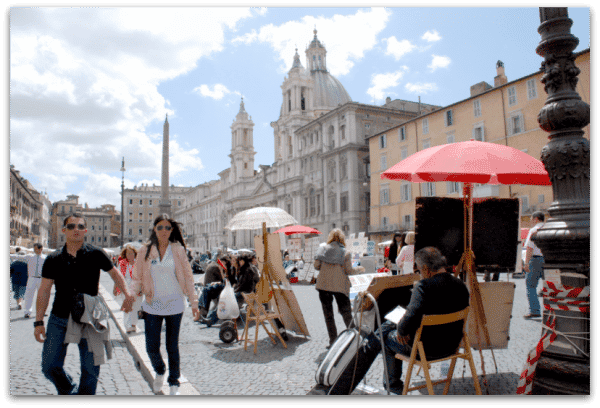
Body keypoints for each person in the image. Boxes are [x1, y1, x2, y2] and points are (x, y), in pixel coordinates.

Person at [34, 212, 135, 395]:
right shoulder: (53, 258)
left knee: (91, 370)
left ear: (85, 230)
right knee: (49, 366)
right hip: (60, 316)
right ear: (64, 230)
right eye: (71, 226)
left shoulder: (96, 253)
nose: (76, 230)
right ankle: (70, 390)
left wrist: (127, 294)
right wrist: (39, 321)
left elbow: (114, 273)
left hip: (90, 317)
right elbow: (44, 290)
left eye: (80, 226)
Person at [361, 247, 470, 394]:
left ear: (425, 268)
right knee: (391, 327)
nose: (419, 274)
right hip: (452, 346)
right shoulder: (461, 286)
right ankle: (371, 344)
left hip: (426, 349)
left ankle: (393, 387)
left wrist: (401, 330)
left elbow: (410, 319)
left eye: (418, 270)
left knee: (387, 337)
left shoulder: (423, 287)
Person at [131, 214, 199, 395]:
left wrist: (194, 303)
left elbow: (189, 277)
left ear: (172, 230)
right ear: (154, 229)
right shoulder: (145, 250)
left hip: (175, 303)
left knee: (172, 345)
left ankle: (174, 380)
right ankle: (160, 369)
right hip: (152, 304)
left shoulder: (178, 250)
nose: (163, 231)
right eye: (160, 227)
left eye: (167, 228)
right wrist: (131, 297)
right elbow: (136, 277)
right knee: (151, 346)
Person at [314, 228, 358, 347]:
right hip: (340, 286)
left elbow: (316, 266)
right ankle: (354, 338)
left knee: (328, 315)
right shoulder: (346, 252)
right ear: (342, 238)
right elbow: (349, 270)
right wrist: (359, 269)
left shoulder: (323, 249)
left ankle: (333, 341)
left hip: (323, 285)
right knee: (346, 313)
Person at [197, 256, 237, 327]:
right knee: (206, 289)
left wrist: (222, 272)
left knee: (208, 290)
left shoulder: (233, 269)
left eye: (233, 260)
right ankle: (204, 314)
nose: (232, 262)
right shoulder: (229, 268)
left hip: (228, 288)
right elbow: (224, 280)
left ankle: (207, 317)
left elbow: (230, 281)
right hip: (224, 286)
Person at [113, 245, 143, 333]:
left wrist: (142, 288)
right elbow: (118, 277)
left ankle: (133, 325)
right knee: (128, 306)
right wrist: (115, 288)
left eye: (131, 253)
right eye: (128, 254)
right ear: (125, 255)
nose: (130, 255)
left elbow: (143, 277)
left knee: (136, 307)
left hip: (137, 289)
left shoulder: (139, 264)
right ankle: (127, 325)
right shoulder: (122, 264)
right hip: (125, 289)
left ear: (135, 253)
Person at [523, 211, 545, 319]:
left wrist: (526, 263)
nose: (531, 221)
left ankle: (535, 310)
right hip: (548, 259)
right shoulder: (548, 228)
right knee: (549, 286)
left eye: (532, 219)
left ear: (536, 218)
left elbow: (529, 248)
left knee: (530, 286)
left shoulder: (533, 230)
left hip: (535, 260)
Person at [23, 243, 46, 318]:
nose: (34, 250)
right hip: (31, 278)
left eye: (36, 248)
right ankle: (27, 312)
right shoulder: (30, 257)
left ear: (40, 249)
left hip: (41, 279)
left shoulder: (45, 258)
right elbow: (18, 257)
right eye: (34, 248)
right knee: (29, 295)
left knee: (42, 296)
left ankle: (42, 312)